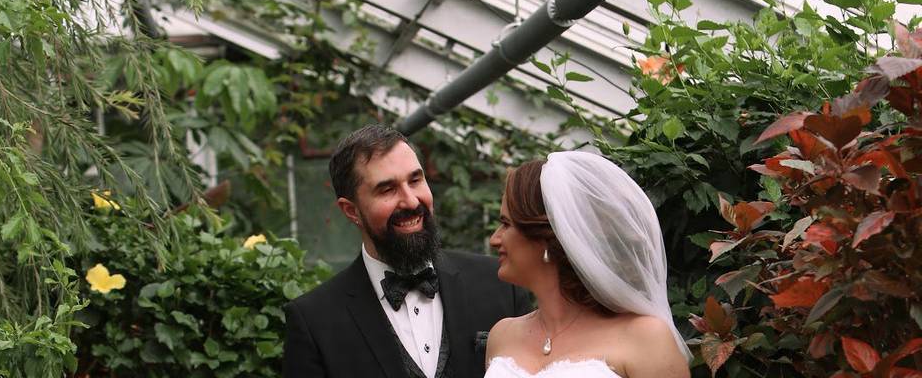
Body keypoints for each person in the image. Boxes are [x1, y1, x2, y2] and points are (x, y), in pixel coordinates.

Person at [284, 124, 530, 378]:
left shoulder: (500, 284)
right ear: (351, 210)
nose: (411, 201)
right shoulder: (314, 321)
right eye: (387, 189)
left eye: (415, 180)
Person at [484, 152, 691, 378]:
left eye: (506, 224)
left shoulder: (646, 338)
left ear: (547, 235)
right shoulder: (502, 335)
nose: (494, 239)